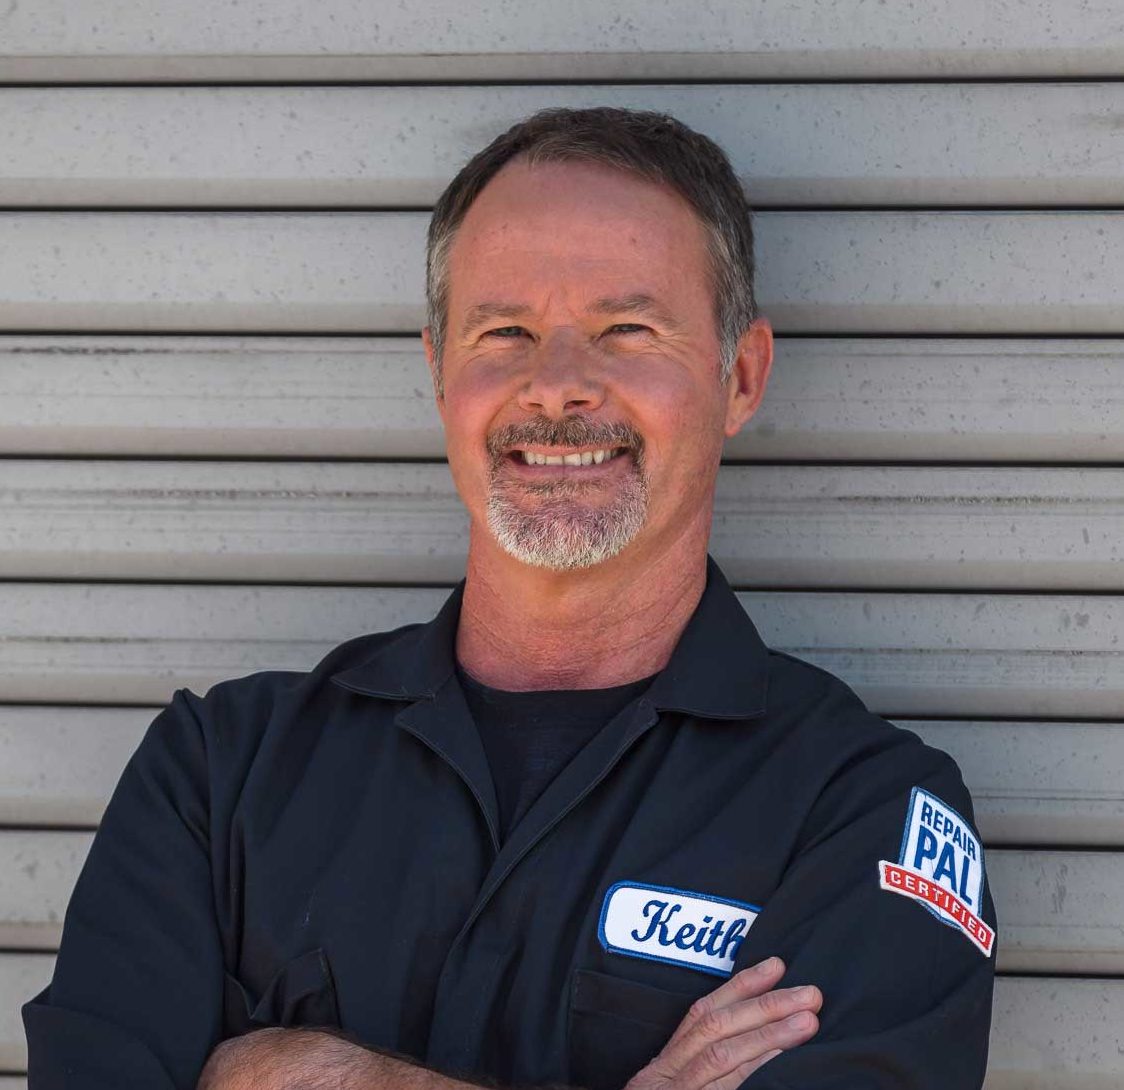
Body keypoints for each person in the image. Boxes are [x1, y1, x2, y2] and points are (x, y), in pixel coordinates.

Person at [23, 107, 996, 1090]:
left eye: (625, 328)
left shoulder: (862, 812)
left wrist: (305, 1068)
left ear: (737, 376)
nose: (556, 385)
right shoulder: (218, 774)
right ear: (440, 369)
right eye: (504, 331)